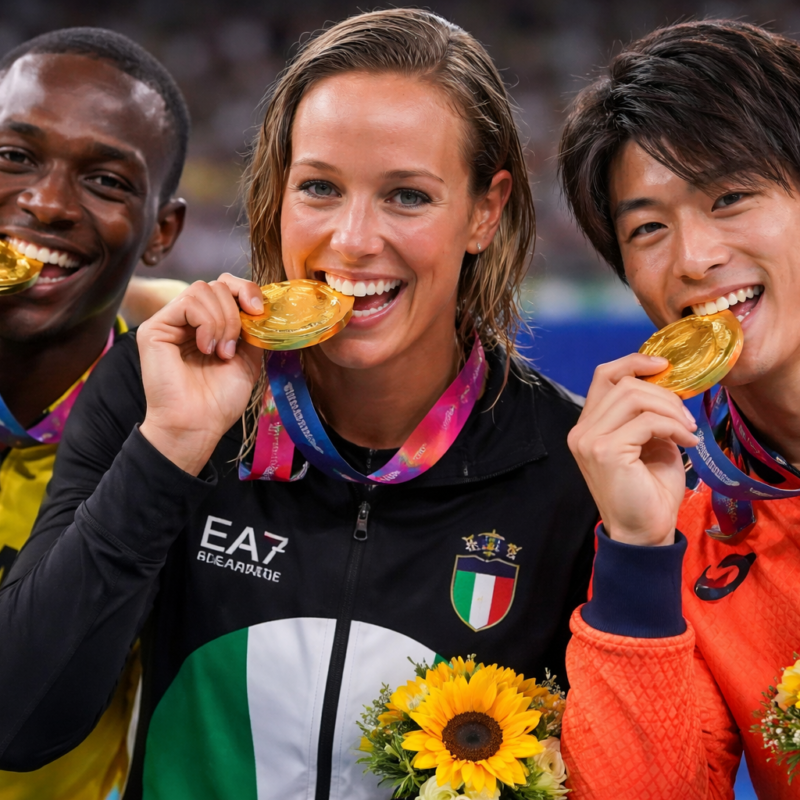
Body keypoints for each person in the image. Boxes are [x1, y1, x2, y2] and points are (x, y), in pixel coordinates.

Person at [0, 9, 596, 799]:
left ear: (485, 211)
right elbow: (20, 723)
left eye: (407, 196)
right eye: (319, 186)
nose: (352, 239)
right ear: (275, 195)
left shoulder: (571, 466)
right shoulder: (154, 395)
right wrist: (168, 448)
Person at [557, 19, 800, 800]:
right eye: (649, 228)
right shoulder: (689, 537)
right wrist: (634, 547)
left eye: (731, 196)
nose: (693, 259)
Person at [0, 27, 188, 800]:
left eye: (106, 181)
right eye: (14, 157)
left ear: (162, 232)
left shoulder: (178, 439)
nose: (45, 203)